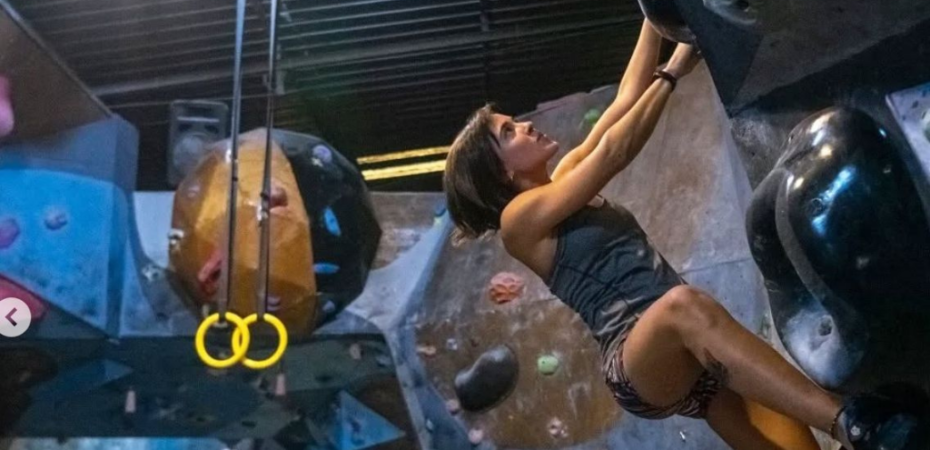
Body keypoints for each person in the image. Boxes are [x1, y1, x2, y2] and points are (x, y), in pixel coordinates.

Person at [443, 19, 927, 450]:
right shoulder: (518, 222)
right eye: (509, 133)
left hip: (696, 363)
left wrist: (656, 19)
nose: (525, 125)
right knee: (682, 306)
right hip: (640, 360)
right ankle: (852, 422)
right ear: (501, 175)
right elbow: (613, 152)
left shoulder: (564, 176)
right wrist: (673, 72)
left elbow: (626, 99)